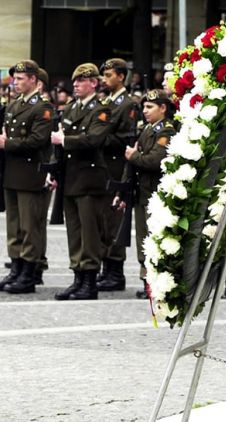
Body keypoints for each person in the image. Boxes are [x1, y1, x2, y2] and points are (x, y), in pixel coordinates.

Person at [0, 60, 54, 294]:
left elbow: (38, 140)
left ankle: (28, 272)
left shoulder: (42, 107)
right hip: (13, 172)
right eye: (15, 78)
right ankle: (15, 268)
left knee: (29, 226)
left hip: (30, 173)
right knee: (14, 225)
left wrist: (8, 144)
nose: (16, 82)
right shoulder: (15, 105)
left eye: (21, 79)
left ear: (34, 80)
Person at [50, 63, 111, 301]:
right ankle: (78, 276)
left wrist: (65, 141)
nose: (75, 85)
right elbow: (59, 142)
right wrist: (54, 171)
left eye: (80, 81)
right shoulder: (72, 107)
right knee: (74, 231)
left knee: (89, 231)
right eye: (74, 82)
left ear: (93, 83)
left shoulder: (101, 109)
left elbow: (94, 139)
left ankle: (89, 280)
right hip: (71, 176)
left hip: (90, 178)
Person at [119, 89, 175, 299]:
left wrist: (135, 156)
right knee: (144, 239)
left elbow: (154, 160)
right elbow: (133, 161)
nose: (145, 111)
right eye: (144, 106)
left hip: (156, 195)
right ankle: (147, 281)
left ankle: (157, 283)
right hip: (142, 193)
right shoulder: (146, 130)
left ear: (163, 108)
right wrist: (123, 190)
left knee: (156, 240)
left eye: (150, 107)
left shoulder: (166, 132)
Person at [96, 58, 138, 292]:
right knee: (103, 220)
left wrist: (99, 138)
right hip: (103, 167)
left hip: (115, 166)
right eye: (104, 75)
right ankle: (106, 268)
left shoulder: (128, 104)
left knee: (113, 221)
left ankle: (115, 271)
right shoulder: (107, 101)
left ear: (121, 76)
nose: (105, 79)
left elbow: (126, 137)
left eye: (109, 75)